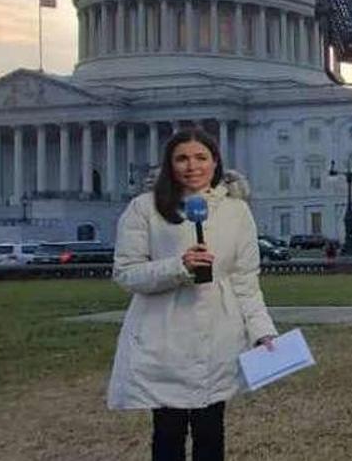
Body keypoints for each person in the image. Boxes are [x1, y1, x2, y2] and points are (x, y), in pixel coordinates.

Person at [107, 128, 278, 461]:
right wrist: (178, 267)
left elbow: (245, 280)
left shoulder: (236, 211)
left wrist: (262, 330)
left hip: (218, 331)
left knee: (211, 430)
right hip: (164, 334)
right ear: (169, 165)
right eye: (181, 158)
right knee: (168, 432)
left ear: (215, 162)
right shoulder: (145, 208)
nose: (192, 166)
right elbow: (126, 272)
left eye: (201, 158)